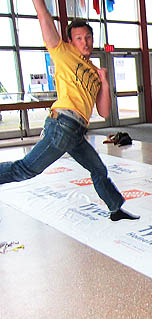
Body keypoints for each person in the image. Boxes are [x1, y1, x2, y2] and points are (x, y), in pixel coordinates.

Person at [0, 0, 138, 222]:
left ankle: (115, 209)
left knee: (98, 169)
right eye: (79, 38)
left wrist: (104, 81)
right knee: (26, 169)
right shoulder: (62, 52)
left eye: (88, 37)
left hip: (76, 131)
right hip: (62, 125)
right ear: (71, 41)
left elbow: (103, 112)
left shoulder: (94, 71)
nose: (85, 42)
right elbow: (43, 14)